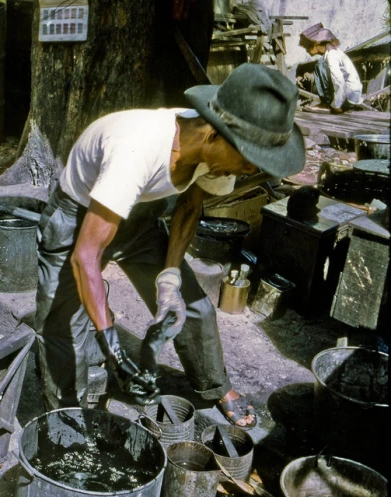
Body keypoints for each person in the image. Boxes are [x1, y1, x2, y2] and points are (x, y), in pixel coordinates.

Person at [35, 63, 305, 428]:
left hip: (140, 218)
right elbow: (86, 255)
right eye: (248, 161)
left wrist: (170, 279)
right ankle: (66, 420)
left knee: (195, 309)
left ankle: (216, 385)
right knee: (64, 331)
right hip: (79, 218)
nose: (248, 172)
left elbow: (191, 205)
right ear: (213, 136)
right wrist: (113, 349)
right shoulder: (136, 149)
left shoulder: (212, 148)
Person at [299, 25, 363, 114]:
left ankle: (326, 104)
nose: (306, 50)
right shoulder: (331, 53)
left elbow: (338, 81)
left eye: (307, 47)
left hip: (348, 98)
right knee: (320, 64)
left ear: (316, 45)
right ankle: (326, 103)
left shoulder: (332, 56)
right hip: (351, 95)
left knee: (320, 65)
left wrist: (336, 106)